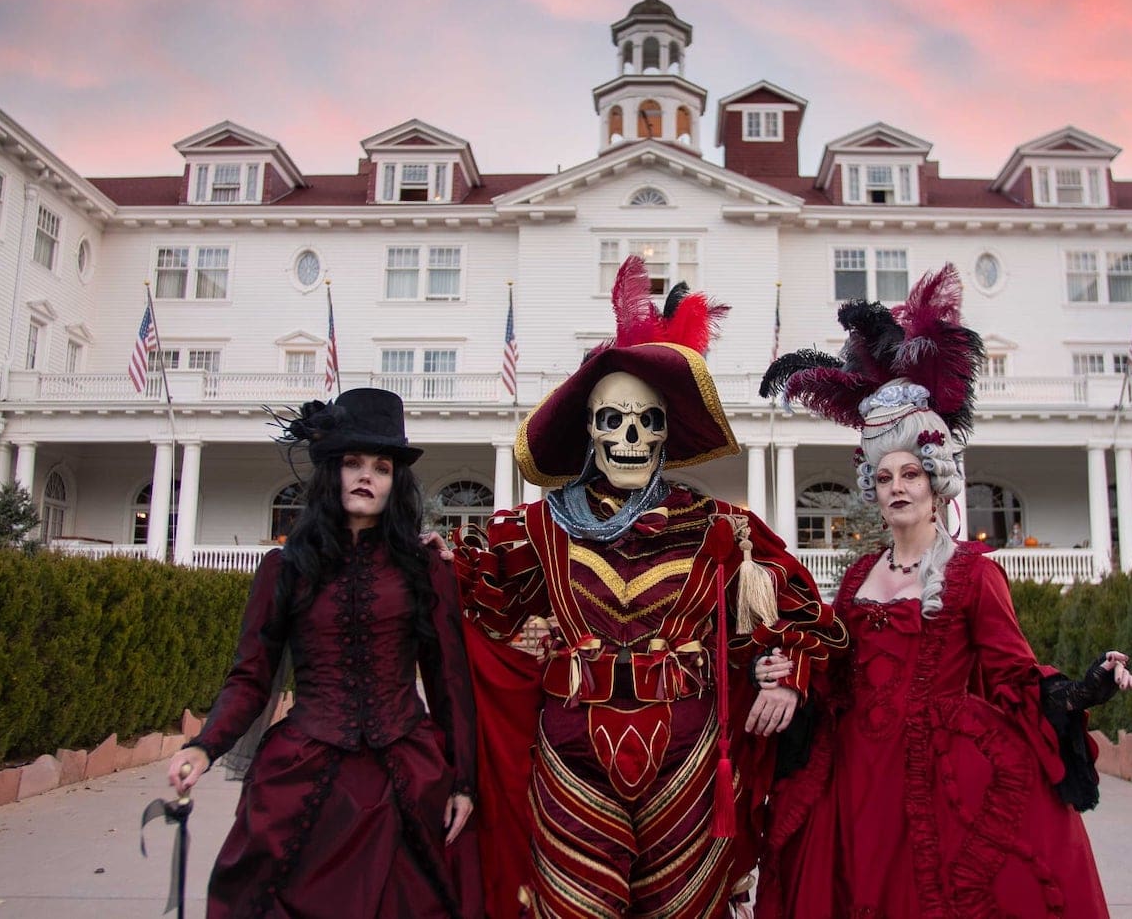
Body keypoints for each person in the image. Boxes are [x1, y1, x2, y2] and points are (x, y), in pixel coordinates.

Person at [453, 257, 847, 918]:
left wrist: (784, 669)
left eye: (647, 421)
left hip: (689, 762)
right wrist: (513, 631)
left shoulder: (725, 529)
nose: (631, 437)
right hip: (572, 755)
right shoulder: (535, 530)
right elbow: (461, 599)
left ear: (666, 433)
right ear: (587, 431)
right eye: (613, 420)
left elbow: (812, 619)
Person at [757, 265, 1132, 919]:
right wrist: (788, 668)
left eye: (911, 473)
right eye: (884, 477)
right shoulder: (855, 577)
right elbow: (834, 670)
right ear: (872, 487)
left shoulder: (972, 573)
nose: (898, 487)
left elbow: (1012, 675)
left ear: (936, 482)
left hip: (936, 779)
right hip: (853, 779)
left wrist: (1084, 689)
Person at [165, 387, 480, 918]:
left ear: (393, 483)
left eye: (381, 467)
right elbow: (251, 677)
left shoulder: (425, 569)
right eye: (353, 463)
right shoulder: (284, 570)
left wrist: (465, 781)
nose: (366, 476)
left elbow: (450, 682)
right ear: (330, 471)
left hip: (403, 771)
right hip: (303, 770)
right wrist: (204, 747)